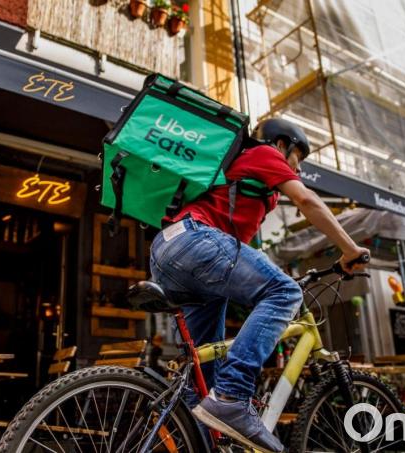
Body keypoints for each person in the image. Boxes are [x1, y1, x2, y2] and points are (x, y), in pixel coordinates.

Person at [149, 118, 370, 453]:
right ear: (283, 144)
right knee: (285, 292)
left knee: (204, 377)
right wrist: (349, 249)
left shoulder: (244, 176)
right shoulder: (266, 154)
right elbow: (307, 201)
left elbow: (236, 251)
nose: (298, 167)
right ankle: (233, 395)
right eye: (299, 157)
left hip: (170, 250)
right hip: (194, 242)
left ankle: (197, 425)